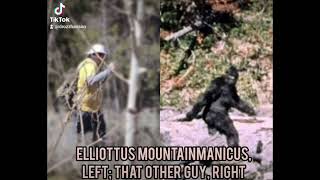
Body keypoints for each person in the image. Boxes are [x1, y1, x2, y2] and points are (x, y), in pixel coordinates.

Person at [181, 66, 256, 147]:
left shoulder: (231, 88)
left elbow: (238, 103)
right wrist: (191, 115)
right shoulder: (218, 83)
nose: (231, 81)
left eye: (233, 79)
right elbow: (204, 99)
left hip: (217, 115)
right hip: (213, 114)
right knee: (232, 133)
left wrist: (251, 111)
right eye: (230, 78)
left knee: (228, 132)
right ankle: (234, 154)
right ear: (226, 75)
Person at [75, 43, 115, 144]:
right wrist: (108, 71)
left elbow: (96, 83)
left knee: (99, 136)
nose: (103, 58)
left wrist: (106, 73)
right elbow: (91, 81)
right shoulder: (89, 65)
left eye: (103, 55)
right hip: (86, 109)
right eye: (100, 55)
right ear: (94, 55)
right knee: (88, 138)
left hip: (93, 108)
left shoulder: (90, 65)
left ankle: (98, 155)